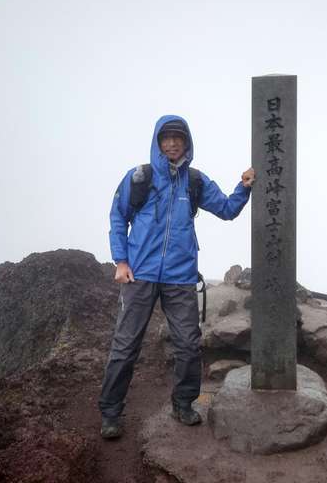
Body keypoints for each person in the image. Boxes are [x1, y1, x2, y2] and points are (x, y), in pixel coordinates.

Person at [98, 114, 255, 439]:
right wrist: (121, 261)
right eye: (166, 138)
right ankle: (111, 413)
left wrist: (244, 187)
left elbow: (227, 209)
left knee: (188, 345)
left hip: (180, 276)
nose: (171, 143)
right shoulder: (139, 178)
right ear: (158, 142)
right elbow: (118, 217)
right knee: (125, 346)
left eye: (177, 138)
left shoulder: (194, 181)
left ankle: (183, 404)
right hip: (139, 274)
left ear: (186, 143)